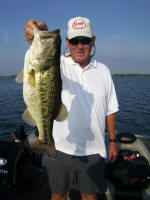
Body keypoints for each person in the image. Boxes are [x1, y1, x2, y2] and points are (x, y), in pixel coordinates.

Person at [24, 16, 119, 200]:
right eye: (74, 41)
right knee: (58, 195)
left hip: (94, 150)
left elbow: (111, 109)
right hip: (59, 148)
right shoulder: (57, 64)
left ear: (93, 41)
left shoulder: (104, 71)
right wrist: (34, 32)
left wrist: (113, 141)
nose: (80, 45)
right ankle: (46, 140)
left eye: (85, 40)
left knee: (89, 196)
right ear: (67, 42)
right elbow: (40, 52)